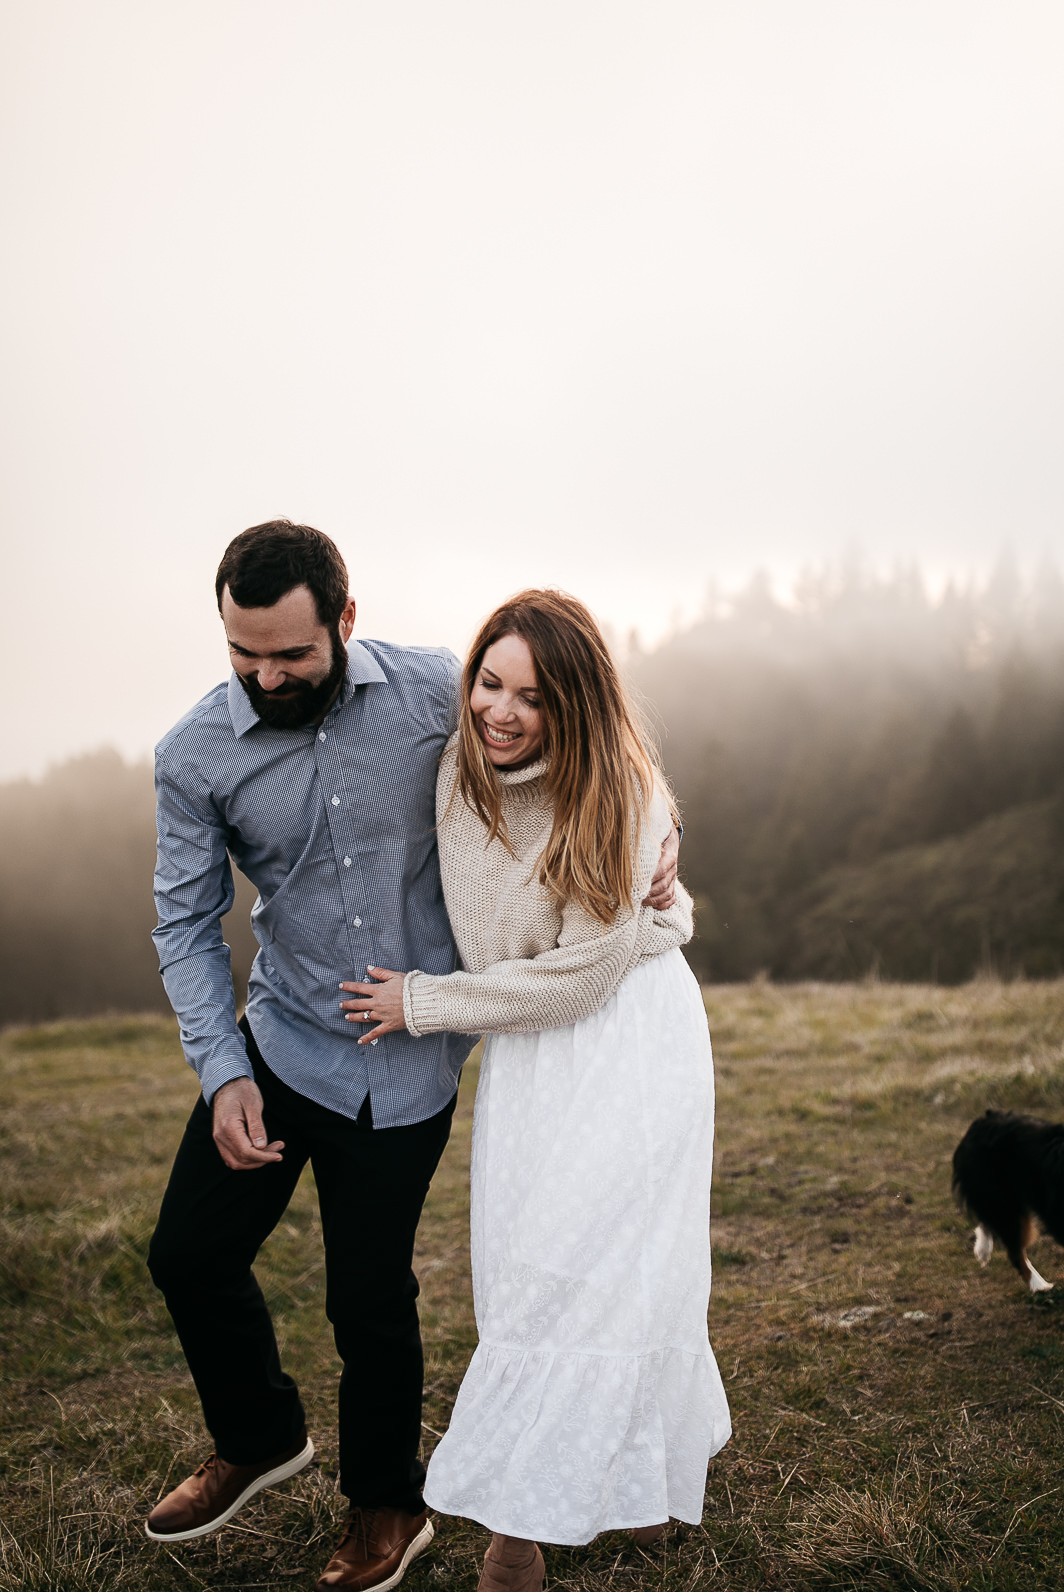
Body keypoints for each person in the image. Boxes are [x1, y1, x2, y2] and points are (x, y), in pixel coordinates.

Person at [142, 522, 682, 1592]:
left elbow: (581, 741)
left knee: (368, 1297)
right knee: (186, 1254)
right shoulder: (191, 755)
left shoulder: (443, 691)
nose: (267, 675)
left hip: (408, 1062)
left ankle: (388, 1506)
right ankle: (257, 1439)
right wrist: (225, 1071)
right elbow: (186, 925)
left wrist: (659, 842)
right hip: (283, 1040)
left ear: (344, 620)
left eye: (291, 653)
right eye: (245, 653)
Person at [338, 590, 730, 1592]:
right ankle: (611, 1482)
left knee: (628, 1267)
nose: (501, 711)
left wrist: (424, 1002)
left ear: (576, 704)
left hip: (630, 1044)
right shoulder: (455, 771)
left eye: (532, 696)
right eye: (490, 682)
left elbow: (588, 974)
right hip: (531, 1052)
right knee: (534, 1270)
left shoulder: (622, 790)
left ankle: (542, 1523)